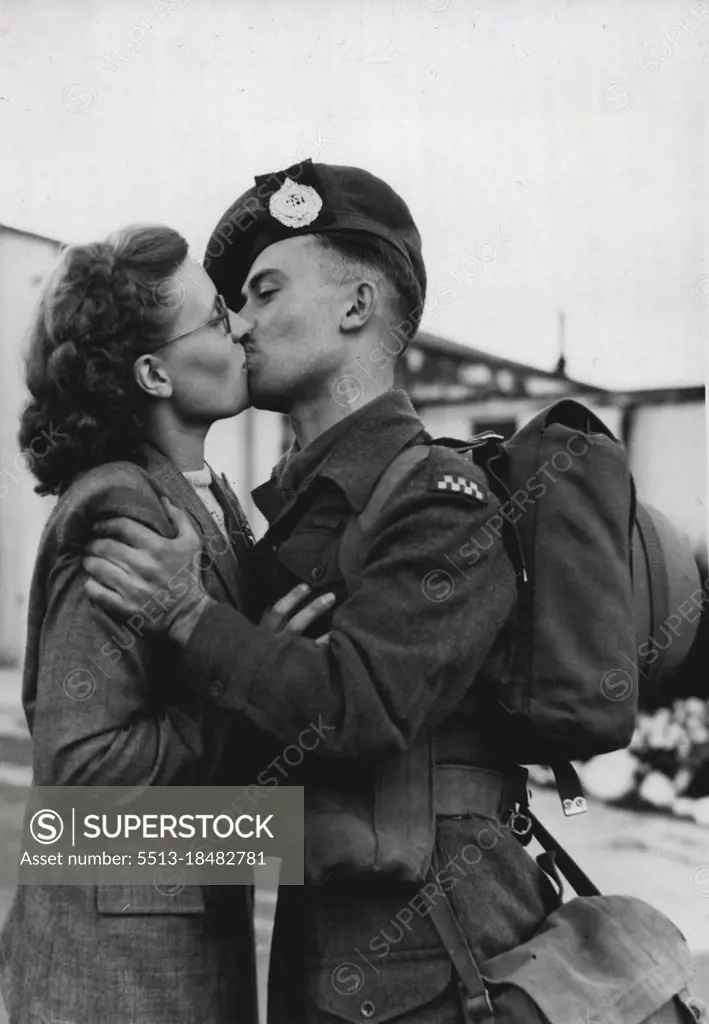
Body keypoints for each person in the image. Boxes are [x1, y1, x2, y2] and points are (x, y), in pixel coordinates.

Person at [82, 163, 561, 1023]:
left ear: (355, 307)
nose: (239, 321)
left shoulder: (437, 499)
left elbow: (361, 705)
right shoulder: (298, 513)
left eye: (264, 291)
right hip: (340, 947)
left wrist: (189, 617)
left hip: (444, 963)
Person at [0, 224, 332, 1024]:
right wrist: (249, 688)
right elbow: (79, 780)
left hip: (168, 937)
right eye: (217, 318)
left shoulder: (203, 496)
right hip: (114, 977)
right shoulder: (125, 505)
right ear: (153, 372)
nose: (241, 326)